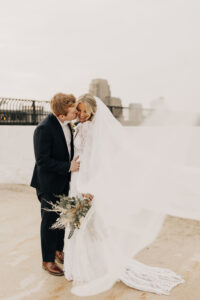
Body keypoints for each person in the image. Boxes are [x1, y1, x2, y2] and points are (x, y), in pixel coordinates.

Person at [63, 94, 187, 297]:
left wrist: (90, 187)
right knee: (76, 224)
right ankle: (79, 265)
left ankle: (95, 266)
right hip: (76, 179)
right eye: (80, 110)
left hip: (88, 181)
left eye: (86, 111)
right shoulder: (79, 126)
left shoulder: (97, 131)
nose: (82, 114)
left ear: (94, 110)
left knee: (91, 225)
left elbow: (99, 161)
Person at [30, 93, 80, 276]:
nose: (76, 113)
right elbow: (42, 161)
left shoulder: (69, 125)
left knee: (62, 219)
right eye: (73, 111)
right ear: (61, 115)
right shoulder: (43, 129)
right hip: (48, 184)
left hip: (64, 182)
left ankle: (59, 251)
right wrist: (69, 166)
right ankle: (48, 260)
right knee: (49, 223)